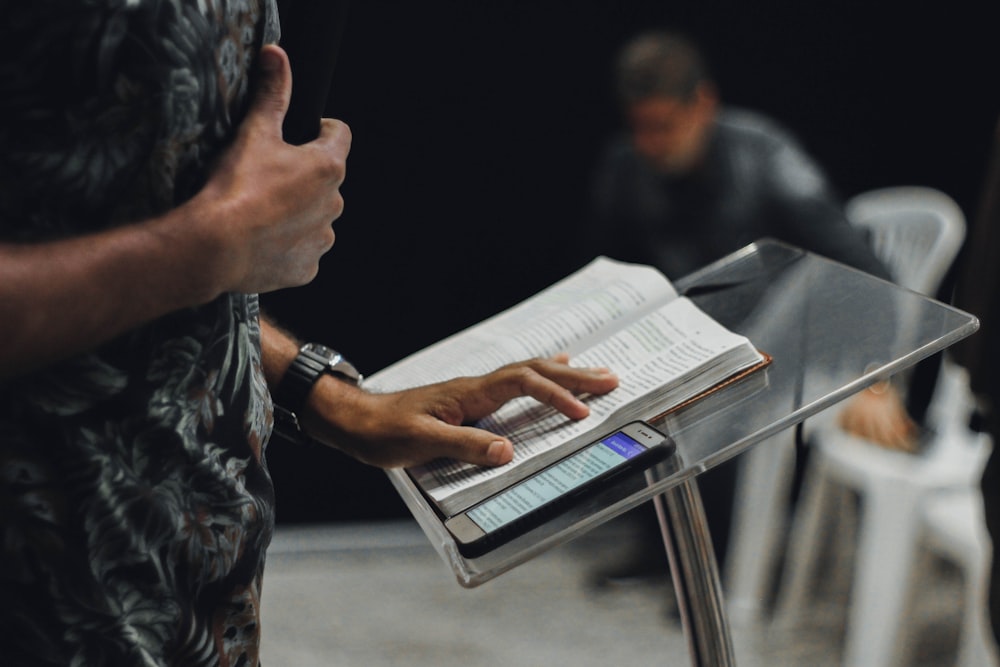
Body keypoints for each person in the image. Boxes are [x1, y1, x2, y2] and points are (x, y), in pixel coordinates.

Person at [0, 2, 619, 665]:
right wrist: (207, 248)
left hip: (201, 607)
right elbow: (197, 247)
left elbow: (138, 240)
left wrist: (326, 394)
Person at [582, 29, 916, 582]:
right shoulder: (625, 164)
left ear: (703, 104)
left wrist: (875, 378)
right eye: (639, 126)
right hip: (691, 334)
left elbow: (868, 273)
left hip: (783, 344)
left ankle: (722, 558)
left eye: (663, 125)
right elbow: (603, 275)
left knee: (714, 395)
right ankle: (665, 546)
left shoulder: (768, 159)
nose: (649, 142)